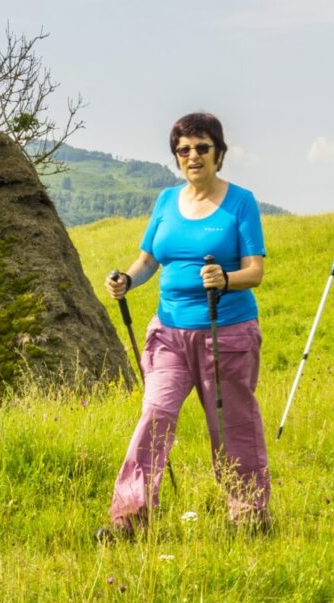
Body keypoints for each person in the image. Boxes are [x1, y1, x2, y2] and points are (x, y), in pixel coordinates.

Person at [100, 112, 270, 537]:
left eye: (201, 148)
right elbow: (148, 260)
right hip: (169, 334)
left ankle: (248, 517)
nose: (192, 157)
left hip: (225, 332)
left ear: (219, 153)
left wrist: (225, 279)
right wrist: (126, 280)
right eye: (183, 151)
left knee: (232, 426)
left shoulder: (240, 202)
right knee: (154, 416)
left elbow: (255, 271)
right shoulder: (165, 202)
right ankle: (131, 519)